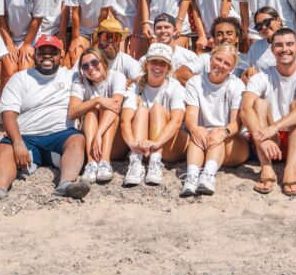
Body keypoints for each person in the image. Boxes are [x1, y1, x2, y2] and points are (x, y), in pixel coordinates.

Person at [0, 35, 92, 203]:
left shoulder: (72, 76)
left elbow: (99, 68)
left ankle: (66, 184)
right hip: (26, 136)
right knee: (5, 147)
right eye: (42, 52)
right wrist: (18, 143)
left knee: (77, 139)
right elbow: (8, 113)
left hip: (60, 135)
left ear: (61, 55)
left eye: (52, 52)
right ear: (34, 55)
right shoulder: (20, 78)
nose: (47, 56)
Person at [240, 28, 296, 196]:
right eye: (279, 45)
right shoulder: (261, 76)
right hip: (268, 141)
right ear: (272, 50)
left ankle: (290, 172)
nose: (284, 49)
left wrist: (275, 127)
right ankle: (266, 167)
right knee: (259, 103)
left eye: (289, 44)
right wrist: (261, 138)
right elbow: (245, 108)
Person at [180, 44, 250, 197]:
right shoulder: (195, 82)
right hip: (203, 139)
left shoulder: (236, 84)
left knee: (217, 133)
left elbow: (235, 124)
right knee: (198, 133)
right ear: (211, 59)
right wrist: (195, 128)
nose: (220, 65)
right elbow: (191, 115)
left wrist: (223, 132)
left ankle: (208, 175)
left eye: (227, 63)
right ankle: (192, 176)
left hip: (230, 139)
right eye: (218, 59)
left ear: (231, 68)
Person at [121, 43, 188, 187]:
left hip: (168, 143)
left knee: (157, 109)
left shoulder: (175, 86)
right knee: (141, 111)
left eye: (163, 63)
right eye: (154, 62)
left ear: (168, 68)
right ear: (146, 65)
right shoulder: (135, 87)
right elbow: (125, 119)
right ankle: (136, 160)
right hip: (143, 146)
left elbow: (177, 121)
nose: (158, 66)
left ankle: (155, 160)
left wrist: (156, 143)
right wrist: (132, 143)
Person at [71, 47, 128, 184]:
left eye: (94, 62)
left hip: (114, 142)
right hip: (91, 143)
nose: (91, 68)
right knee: (91, 111)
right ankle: (91, 163)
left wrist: (98, 134)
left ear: (103, 62)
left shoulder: (117, 76)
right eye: (85, 66)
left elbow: (116, 105)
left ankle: (105, 161)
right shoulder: (80, 82)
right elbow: (72, 112)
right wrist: (97, 100)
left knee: (108, 108)